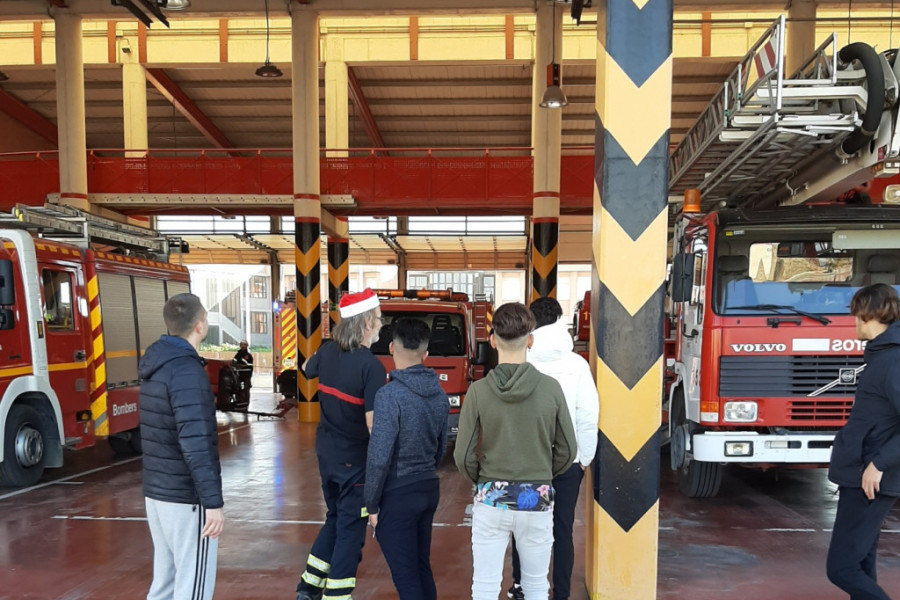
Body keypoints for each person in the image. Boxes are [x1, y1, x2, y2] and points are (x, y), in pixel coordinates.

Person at [454, 302, 577, 600]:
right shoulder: (551, 389)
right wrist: (543, 473)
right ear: (530, 339)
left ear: (493, 340)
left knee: (484, 586)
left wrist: (485, 479)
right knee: (535, 585)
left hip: (491, 498)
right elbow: (568, 449)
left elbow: (463, 455)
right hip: (536, 498)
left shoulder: (479, 391)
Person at [296, 289, 387, 600]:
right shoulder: (372, 367)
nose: (381, 325)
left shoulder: (328, 351)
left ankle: (309, 586)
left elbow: (307, 367)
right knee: (351, 527)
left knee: (335, 516)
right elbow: (374, 425)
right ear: (364, 324)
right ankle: (337, 595)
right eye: (377, 319)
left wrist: (327, 352)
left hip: (327, 454)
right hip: (355, 462)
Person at [508, 297, 599, 600]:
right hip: (567, 463)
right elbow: (587, 414)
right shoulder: (578, 365)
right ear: (561, 319)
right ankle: (560, 593)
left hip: (527, 461)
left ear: (530, 323)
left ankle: (522, 587)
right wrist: (583, 458)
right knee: (562, 530)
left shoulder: (522, 361)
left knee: (525, 527)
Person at [139, 293, 224, 600]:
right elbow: (196, 442)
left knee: (165, 582)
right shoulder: (187, 372)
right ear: (200, 326)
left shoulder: (156, 365)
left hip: (158, 492)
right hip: (186, 497)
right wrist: (212, 502)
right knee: (193, 585)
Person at [365, 318, 449, 600]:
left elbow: (379, 456)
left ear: (391, 347)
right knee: (420, 568)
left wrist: (372, 504)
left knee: (406, 577)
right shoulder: (439, 393)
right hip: (427, 488)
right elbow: (441, 445)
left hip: (397, 495)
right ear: (426, 354)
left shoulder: (389, 395)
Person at [827, 283, 900, 600]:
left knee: (842, 568)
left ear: (869, 314)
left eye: (856, 314)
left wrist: (878, 464)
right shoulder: (882, 356)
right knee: (861, 564)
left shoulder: (892, 361)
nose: (854, 321)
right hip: (861, 472)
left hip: (870, 478)